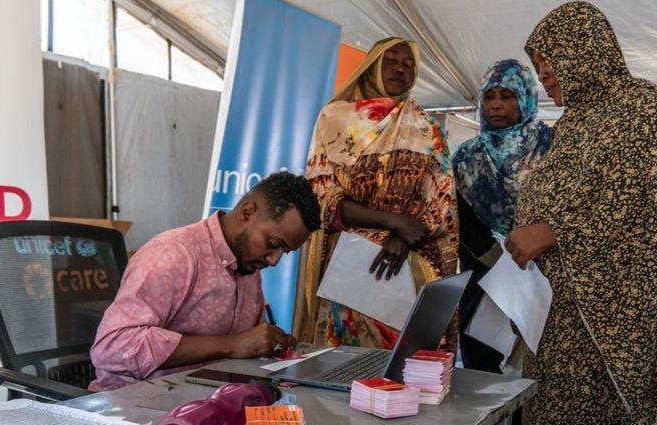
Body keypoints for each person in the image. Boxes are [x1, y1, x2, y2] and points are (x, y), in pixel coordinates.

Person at [505, 2, 657, 425]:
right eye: (537, 63)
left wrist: (557, 232)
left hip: (605, 335)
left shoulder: (641, 109)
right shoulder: (573, 123)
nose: (543, 73)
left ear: (583, 49)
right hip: (553, 327)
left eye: (550, 58)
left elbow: (642, 206)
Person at [89, 171, 322, 391]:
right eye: (272, 244)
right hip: (136, 405)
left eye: (284, 252)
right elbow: (113, 349)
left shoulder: (247, 264)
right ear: (247, 212)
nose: (273, 260)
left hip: (207, 399)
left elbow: (246, 344)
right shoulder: (174, 254)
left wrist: (268, 344)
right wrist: (230, 344)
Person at [298, 37, 458, 350]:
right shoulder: (334, 118)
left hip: (403, 261)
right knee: (343, 355)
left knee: (397, 359)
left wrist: (402, 237)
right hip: (346, 264)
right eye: (391, 60)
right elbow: (322, 194)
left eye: (409, 64)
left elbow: (440, 198)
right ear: (372, 66)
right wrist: (393, 221)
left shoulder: (426, 128)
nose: (400, 69)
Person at [452, 59, 553, 374]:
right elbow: (461, 220)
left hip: (543, 274)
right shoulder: (466, 156)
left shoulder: (552, 147)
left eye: (507, 96)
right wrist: (503, 260)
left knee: (535, 368)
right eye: (489, 96)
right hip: (485, 277)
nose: (496, 105)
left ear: (525, 98)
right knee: (484, 374)